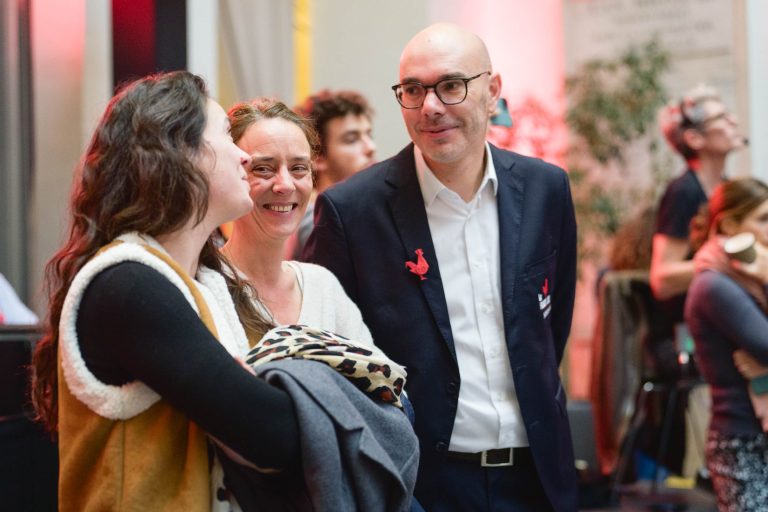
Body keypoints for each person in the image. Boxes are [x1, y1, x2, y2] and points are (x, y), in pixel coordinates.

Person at [304, 22, 578, 511]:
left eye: (451, 86)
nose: (431, 107)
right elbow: (328, 359)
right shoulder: (353, 211)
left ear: (492, 91)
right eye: (413, 90)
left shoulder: (545, 189)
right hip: (420, 485)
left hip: (537, 478)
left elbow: (550, 328)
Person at [29, 71, 301, 511]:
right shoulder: (128, 284)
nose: (244, 158)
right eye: (229, 137)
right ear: (181, 154)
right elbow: (273, 433)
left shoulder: (202, 283)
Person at [222, 98, 374, 346]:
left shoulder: (323, 286)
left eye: (298, 168)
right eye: (263, 168)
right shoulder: (205, 284)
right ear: (231, 173)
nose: (285, 185)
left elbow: (381, 379)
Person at [685, 177, 768, 511]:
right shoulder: (713, 285)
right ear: (730, 225)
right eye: (763, 219)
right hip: (742, 442)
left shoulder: (753, 279)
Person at [650, 84, 746, 370]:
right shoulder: (684, 193)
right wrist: (724, 261)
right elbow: (662, 279)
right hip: (690, 338)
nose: (734, 122)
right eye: (721, 118)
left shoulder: (726, 189)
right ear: (694, 137)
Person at [286, 89, 376, 260]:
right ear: (317, 156)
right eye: (352, 139)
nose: (371, 147)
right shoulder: (315, 221)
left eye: (369, 135)